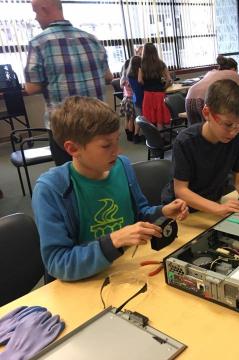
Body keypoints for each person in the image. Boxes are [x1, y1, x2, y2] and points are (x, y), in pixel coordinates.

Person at [32, 96, 189, 281]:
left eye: (117, 140)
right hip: (84, 284)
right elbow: (58, 263)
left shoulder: (122, 166)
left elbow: (139, 213)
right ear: (73, 149)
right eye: (106, 145)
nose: (118, 151)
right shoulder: (51, 190)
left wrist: (162, 211)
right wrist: (113, 241)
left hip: (126, 269)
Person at [24, 0, 113, 166]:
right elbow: (108, 77)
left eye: (36, 12)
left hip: (65, 128)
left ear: (44, 9)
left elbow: (31, 87)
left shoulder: (38, 43)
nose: (36, 18)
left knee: (71, 173)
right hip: (98, 121)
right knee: (102, 169)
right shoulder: (91, 39)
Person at [163, 79, 239, 216]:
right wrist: (216, 208)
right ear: (207, 113)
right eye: (227, 125)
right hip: (182, 210)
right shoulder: (186, 142)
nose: (233, 132)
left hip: (213, 204)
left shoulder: (236, 138)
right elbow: (181, 190)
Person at [185, 55, 239, 125]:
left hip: (189, 98)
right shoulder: (234, 74)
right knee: (210, 131)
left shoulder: (212, 72)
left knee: (195, 130)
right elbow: (236, 97)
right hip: (204, 99)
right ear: (233, 69)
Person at [139, 43, 172, 128]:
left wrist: (146, 84)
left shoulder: (142, 64)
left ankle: (153, 138)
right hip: (159, 94)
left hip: (148, 94)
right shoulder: (161, 63)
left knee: (149, 117)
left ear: (144, 52)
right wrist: (164, 87)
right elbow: (169, 80)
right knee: (159, 117)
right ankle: (161, 137)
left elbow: (139, 80)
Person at [119, 58, 141, 143]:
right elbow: (133, 88)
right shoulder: (130, 78)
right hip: (131, 99)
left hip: (125, 99)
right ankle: (131, 134)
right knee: (132, 118)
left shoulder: (123, 78)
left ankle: (128, 133)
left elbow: (122, 87)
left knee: (126, 118)